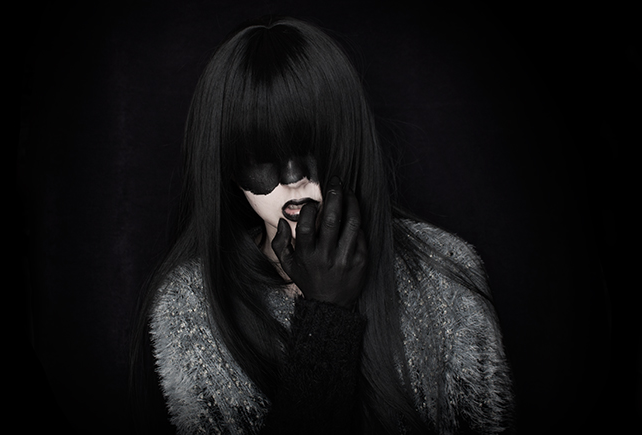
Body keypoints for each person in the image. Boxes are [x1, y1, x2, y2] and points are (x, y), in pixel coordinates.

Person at [130, 15, 514, 435]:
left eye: (310, 145)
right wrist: (326, 317)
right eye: (262, 154)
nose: (293, 178)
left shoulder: (443, 271)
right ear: (226, 164)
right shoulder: (191, 304)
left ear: (348, 139)